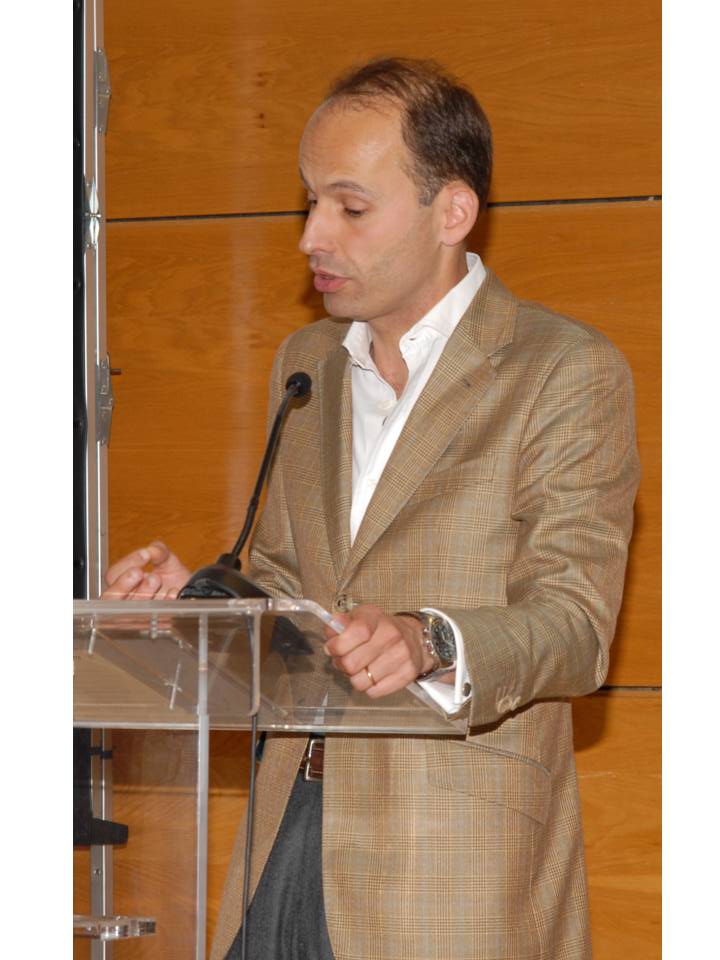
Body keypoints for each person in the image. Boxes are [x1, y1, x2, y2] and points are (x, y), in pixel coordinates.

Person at [104, 57, 640, 960]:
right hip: (284, 837)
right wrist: (192, 602)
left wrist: (430, 636)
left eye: (350, 208)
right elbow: (287, 577)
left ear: (452, 213)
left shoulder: (562, 371)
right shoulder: (306, 359)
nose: (314, 234)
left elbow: (576, 624)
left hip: (449, 866)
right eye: (308, 202)